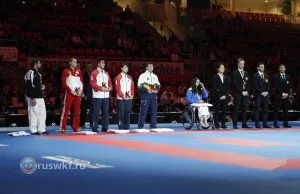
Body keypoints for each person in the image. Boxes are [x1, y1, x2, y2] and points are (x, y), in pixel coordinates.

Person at [24, 59, 48, 135]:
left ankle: (41, 129)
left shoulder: (39, 74)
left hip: (40, 96)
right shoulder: (30, 73)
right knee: (33, 113)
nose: (40, 64)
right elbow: (29, 85)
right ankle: (33, 130)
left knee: (42, 113)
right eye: (39, 63)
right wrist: (32, 97)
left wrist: (42, 87)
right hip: (33, 96)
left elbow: (37, 85)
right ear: (35, 64)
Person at [60, 57, 83, 133]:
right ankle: (63, 128)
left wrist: (80, 91)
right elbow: (64, 84)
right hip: (69, 94)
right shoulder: (66, 71)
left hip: (77, 94)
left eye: (76, 62)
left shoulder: (79, 71)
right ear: (70, 63)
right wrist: (70, 91)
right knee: (66, 111)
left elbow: (81, 82)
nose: (75, 63)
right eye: (74, 61)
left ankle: (75, 127)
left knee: (77, 112)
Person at [90, 58, 112, 132]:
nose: (104, 64)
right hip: (97, 96)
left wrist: (110, 87)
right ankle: (95, 127)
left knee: (105, 113)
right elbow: (93, 84)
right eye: (102, 62)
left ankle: (105, 127)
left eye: (104, 63)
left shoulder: (106, 73)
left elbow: (110, 82)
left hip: (106, 96)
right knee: (96, 113)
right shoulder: (94, 73)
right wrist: (101, 88)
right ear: (98, 64)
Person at [137, 63, 161, 129]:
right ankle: (140, 126)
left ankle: (153, 125)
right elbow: (140, 86)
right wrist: (149, 89)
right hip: (145, 95)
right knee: (143, 112)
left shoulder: (155, 76)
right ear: (146, 68)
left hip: (153, 96)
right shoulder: (142, 75)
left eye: (152, 66)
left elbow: (158, 85)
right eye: (149, 66)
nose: (151, 67)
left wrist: (156, 90)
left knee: (154, 111)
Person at [231, 58, 251, 129]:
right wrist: (241, 91)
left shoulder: (246, 73)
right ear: (238, 64)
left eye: (243, 64)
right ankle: (235, 124)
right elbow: (234, 84)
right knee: (236, 109)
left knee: (244, 109)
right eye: (241, 64)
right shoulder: (234, 73)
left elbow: (248, 83)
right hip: (238, 94)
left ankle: (244, 123)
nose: (242, 65)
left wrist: (247, 91)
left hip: (245, 94)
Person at [114, 63, 135, 130]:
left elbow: (132, 87)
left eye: (127, 68)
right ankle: (121, 126)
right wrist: (122, 96)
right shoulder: (118, 77)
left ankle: (127, 127)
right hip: (121, 98)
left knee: (127, 113)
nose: (126, 69)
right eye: (125, 67)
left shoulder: (130, 77)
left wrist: (132, 94)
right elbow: (117, 88)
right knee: (121, 113)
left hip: (128, 98)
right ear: (121, 68)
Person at [212, 63, 230, 129]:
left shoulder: (226, 77)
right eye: (221, 67)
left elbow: (228, 88)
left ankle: (223, 124)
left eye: (223, 68)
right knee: (217, 111)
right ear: (218, 69)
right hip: (218, 97)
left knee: (224, 111)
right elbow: (214, 88)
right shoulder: (215, 77)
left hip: (225, 96)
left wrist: (225, 95)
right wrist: (220, 96)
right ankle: (217, 124)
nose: (223, 69)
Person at [253, 62, 270, 128]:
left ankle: (265, 124)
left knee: (265, 109)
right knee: (257, 109)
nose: (262, 68)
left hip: (265, 95)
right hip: (258, 95)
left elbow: (268, 85)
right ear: (258, 68)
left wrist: (267, 92)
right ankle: (257, 124)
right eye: (261, 67)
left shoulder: (266, 75)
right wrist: (262, 92)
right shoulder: (255, 75)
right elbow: (255, 86)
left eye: (263, 67)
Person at [273, 64, 291, 128]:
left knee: (286, 109)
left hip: (286, 95)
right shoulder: (276, 76)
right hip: (278, 95)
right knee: (276, 109)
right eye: (281, 68)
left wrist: (287, 94)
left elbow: (289, 87)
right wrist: (282, 94)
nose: (282, 69)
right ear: (279, 69)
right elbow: (276, 86)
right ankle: (275, 124)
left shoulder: (288, 76)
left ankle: (285, 124)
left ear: (285, 69)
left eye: (283, 68)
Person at [80, 63, 93, 128]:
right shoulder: (84, 74)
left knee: (92, 110)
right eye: (88, 67)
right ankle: (82, 124)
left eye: (91, 67)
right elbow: (83, 85)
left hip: (92, 95)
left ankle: (92, 123)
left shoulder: (93, 75)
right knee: (83, 110)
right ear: (86, 68)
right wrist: (84, 94)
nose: (90, 68)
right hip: (85, 94)